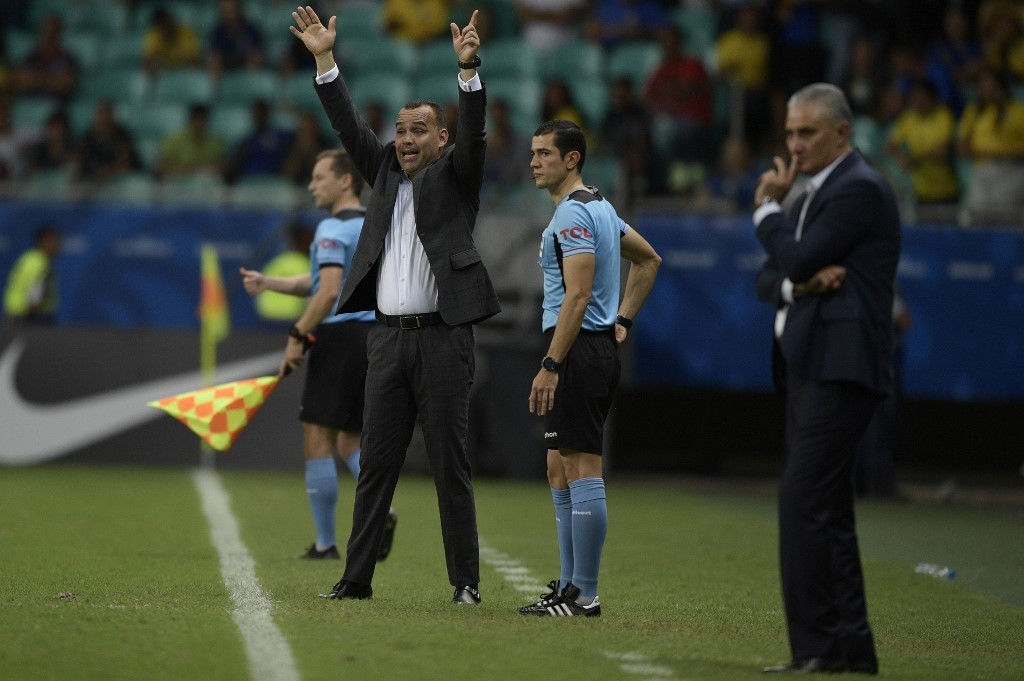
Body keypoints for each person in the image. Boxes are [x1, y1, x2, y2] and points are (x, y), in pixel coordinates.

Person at [289, 6, 500, 604]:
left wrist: (468, 72)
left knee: (450, 467)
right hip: (384, 341)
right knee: (375, 466)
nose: (406, 139)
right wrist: (325, 60)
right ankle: (355, 578)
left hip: (443, 339)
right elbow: (349, 126)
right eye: (401, 130)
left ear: (441, 139)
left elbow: (476, 134)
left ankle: (465, 583)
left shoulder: (459, 177)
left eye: (419, 131)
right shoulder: (381, 170)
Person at [754, 83, 900, 675]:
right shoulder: (816, 194)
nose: (794, 145)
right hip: (811, 364)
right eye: (790, 133)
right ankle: (848, 650)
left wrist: (766, 211)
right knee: (829, 511)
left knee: (803, 502)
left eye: (807, 133)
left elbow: (793, 258)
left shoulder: (858, 188)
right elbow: (771, 278)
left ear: (842, 132)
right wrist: (801, 283)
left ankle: (816, 647)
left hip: (840, 366)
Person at [519, 119, 660, 618]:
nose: (534, 162)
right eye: (533, 153)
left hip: (575, 352)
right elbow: (648, 260)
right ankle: (569, 586)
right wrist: (622, 319)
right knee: (559, 467)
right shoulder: (600, 206)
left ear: (572, 158)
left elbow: (577, 296)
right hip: (588, 347)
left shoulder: (574, 214)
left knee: (581, 467)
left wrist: (551, 363)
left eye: (544, 153)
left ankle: (586, 594)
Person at [240, 149, 397, 562]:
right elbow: (326, 280)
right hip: (376, 337)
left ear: (345, 181)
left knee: (317, 437)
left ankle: (326, 544)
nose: (311, 186)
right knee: (351, 439)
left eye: (318, 177)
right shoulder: (375, 224)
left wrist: (298, 334)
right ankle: (382, 508)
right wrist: (269, 282)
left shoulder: (331, 227)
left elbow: (327, 292)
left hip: (339, 339)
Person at [3, 225, 61, 324]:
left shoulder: (29, 258)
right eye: (56, 242)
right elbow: (36, 293)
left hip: (16, 314)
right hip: (28, 317)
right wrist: (32, 317)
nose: (58, 246)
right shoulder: (40, 263)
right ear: (45, 241)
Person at [157, 104, 227, 179]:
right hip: (179, 180)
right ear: (189, 121)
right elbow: (162, 167)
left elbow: (224, 168)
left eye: (202, 120)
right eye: (196, 120)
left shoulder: (215, 142)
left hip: (206, 182)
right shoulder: (174, 140)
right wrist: (192, 170)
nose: (199, 124)